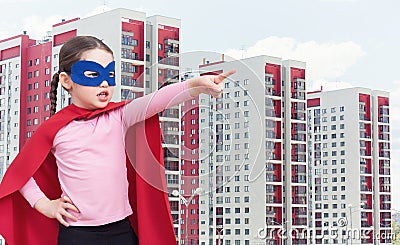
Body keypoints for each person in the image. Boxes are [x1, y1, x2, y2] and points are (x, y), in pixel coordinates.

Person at [0, 35, 235, 245]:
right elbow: (20, 174)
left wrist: (196, 85)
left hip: (120, 230)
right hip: (76, 234)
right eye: (93, 74)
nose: (104, 83)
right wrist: (44, 205)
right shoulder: (55, 128)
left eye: (109, 74)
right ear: (66, 80)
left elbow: (156, 100)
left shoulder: (119, 115)